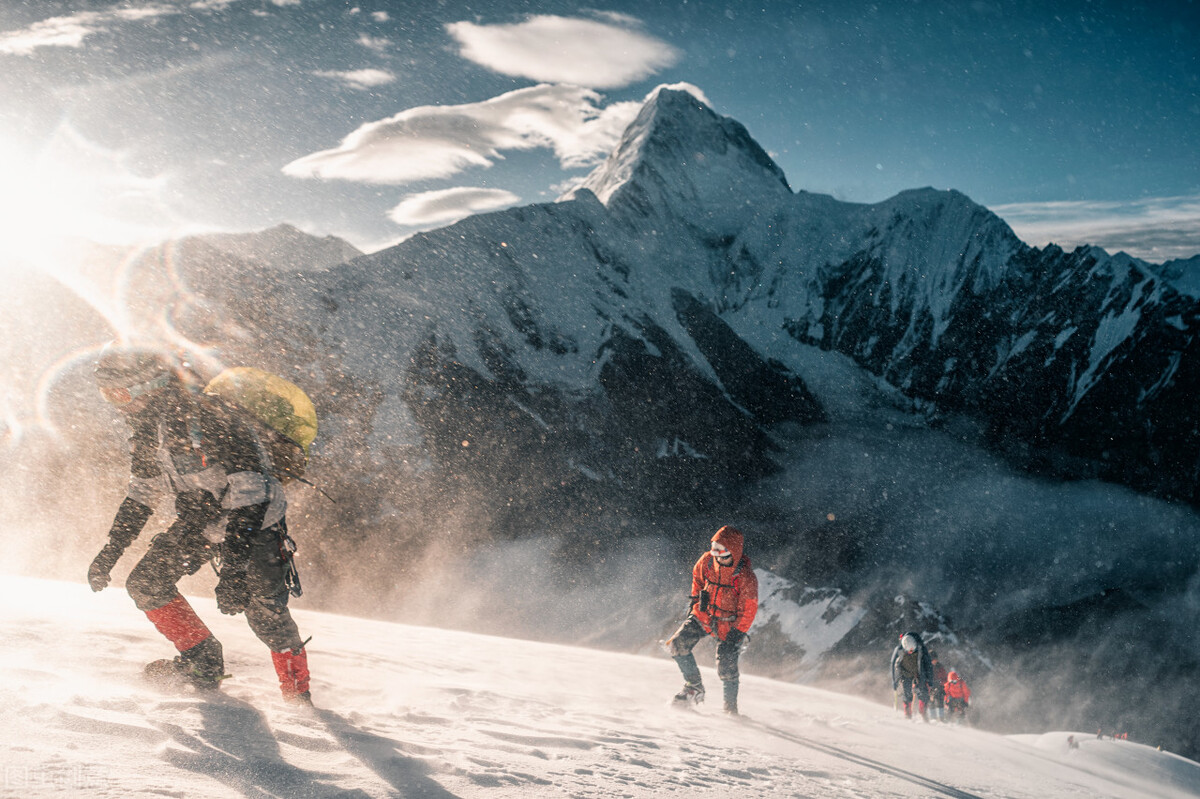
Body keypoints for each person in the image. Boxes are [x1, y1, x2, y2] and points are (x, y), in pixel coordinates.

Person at [87, 346, 313, 703]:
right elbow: (142, 494)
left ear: (152, 385)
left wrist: (235, 571)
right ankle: (203, 665)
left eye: (118, 393)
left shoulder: (212, 416)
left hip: (255, 522)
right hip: (203, 520)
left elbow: (251, 497)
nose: (115, 404)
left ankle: (298, 695)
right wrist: (110, 551)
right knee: (147, 584)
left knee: (264, 612)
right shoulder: (149, 428)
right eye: (105, 394)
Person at [665, 525, 759, 715]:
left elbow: (749, 609)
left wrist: (737, 633)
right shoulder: (706, 562)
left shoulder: (745, 577)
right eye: (714, 548)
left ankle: (730, 710)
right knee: (677, 644)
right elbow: (697, 582)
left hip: (729, 625)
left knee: (726, 667)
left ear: (733, 551)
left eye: (721, 551)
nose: (716, 555)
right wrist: (695, 605)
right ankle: (694, 687)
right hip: (705, 615)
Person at [890, 631, 934, 721]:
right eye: (908, 650)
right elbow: (893, 665)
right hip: (905, 674)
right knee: (906, 693)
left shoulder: (922, 649)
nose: (910, 652)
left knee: (924, 692)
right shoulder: (899, 649)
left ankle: (923, 711)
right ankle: (907, 713)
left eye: (912, 650)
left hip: (919, 674)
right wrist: (894, 680)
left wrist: (930, 680)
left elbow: (928, 665)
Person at [928, 649, 949, 721]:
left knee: (940, 702)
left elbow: (945, 678)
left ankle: (941, 718)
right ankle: (932, 717)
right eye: (934, 659)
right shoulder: (926, 666)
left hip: (939, 687)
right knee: (931, 702)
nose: (935, 661)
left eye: (936, 659)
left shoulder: (940, 666)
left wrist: (940, 682)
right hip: (930, 687)